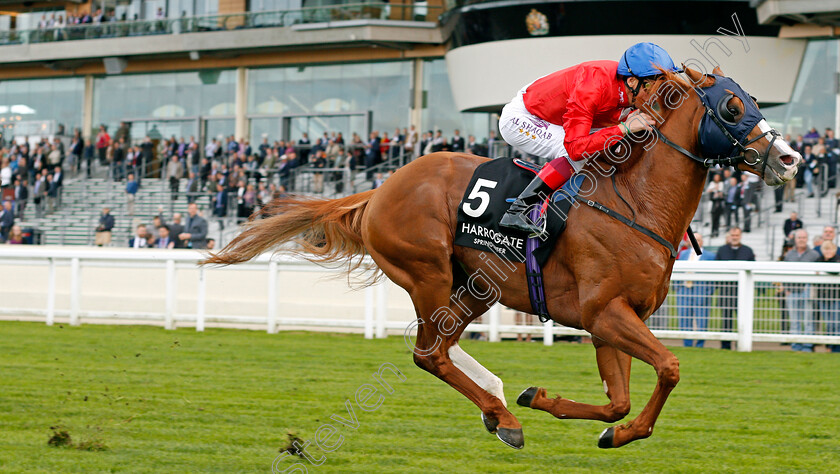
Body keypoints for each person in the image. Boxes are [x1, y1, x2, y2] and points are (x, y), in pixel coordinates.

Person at [498, 42, 676, 233]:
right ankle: (518, 210)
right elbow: (576, 149)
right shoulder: (591, 88)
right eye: (651, 86)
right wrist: (624, 127)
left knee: (610, 145)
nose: (655, 94)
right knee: (581, 154)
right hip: (523, 117)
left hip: (555, 108)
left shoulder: (630, 87)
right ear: (632, 81)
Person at [715, 227, 755, 349]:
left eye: (737, 235)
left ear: (740, 236)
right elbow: (716, 269)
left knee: (742, 319)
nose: (734, 237)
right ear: (729, 236)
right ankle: (725, 345)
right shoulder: (722, 250)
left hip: (743, 293)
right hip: (726, 291)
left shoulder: (748, 251)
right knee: (726, 319)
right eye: (732, 235)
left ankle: (741, 344)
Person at [783, 229, 821, 352]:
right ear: (795, 239)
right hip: (792, 290)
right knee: (794, 319)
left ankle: (807, 345)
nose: (801, 240)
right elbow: (784, 272)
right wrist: (786, 288)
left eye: (804, 237)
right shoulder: (789, 255)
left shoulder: (814, 254)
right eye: (799, 238)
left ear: (807, 239)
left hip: (807, 289)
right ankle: (796, 344)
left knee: (808, 318)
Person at [676, 233, 716, 348]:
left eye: (697, 240)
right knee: (684, 318)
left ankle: (700, 345)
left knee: (702, 319)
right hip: (684, 290)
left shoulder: (710, 256)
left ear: (702, 241)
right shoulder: (683, 254)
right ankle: (687, 344)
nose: (695, 242)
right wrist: (677, 287)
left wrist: (708, 291)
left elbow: (713, 276)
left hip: (701, 291)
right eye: (692, 240)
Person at [817, 241, 840, 353]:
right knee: (828, 322)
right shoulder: (819, 259)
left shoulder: (837, 259)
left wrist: (822, 270)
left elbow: (834, 271)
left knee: (836, 322)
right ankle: (829, 346)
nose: (827, 251)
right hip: (823, 296)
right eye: (825, 249)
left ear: (834, 250)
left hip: (836, 297)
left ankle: (836, 346)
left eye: (829, 249)